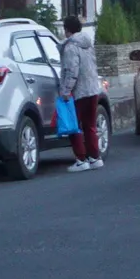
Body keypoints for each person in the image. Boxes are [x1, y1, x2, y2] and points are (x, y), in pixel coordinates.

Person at [61, 16, 107, 171]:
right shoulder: (88, 44)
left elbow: (72, 70)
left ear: (67, 29)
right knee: (90, 125)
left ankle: (81, 159)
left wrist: (66, 90)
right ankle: (95, 157)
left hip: (79, 91)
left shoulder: (70, 47)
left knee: (74, 125)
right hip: (93, 88)